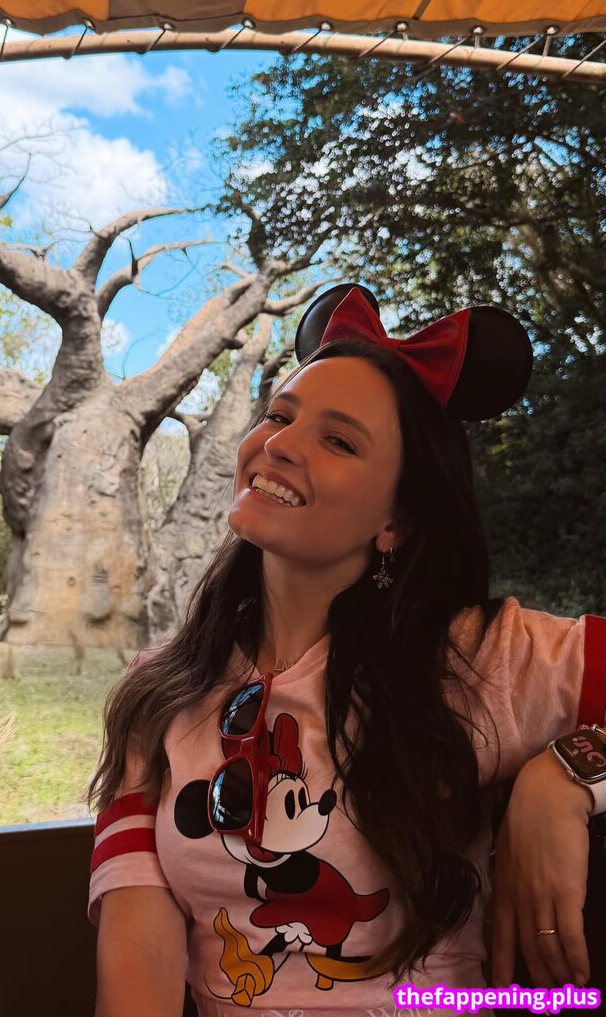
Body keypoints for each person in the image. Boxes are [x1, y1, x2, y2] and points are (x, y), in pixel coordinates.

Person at [86, 285, 606, 1017]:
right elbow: (137, 969)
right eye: (279, 415)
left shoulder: (485, 659)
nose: (279, 445)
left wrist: (566, 777)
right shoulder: (160, 689)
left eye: (339, 441)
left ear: (398, 520)